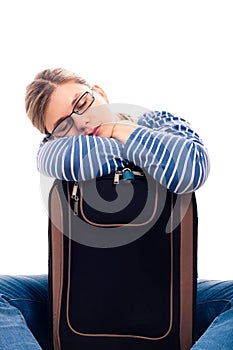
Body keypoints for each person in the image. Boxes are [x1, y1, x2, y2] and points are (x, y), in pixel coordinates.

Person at [0, 67, 232, 349]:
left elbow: (190, 169)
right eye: (63, 126)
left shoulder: (157, 120)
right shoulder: (54, 151)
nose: (82, 122)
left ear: (99, 92)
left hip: (165, 290)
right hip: (82, 292)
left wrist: (122, 130)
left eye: (82, 103)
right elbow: (78, 159)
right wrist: (144, 152)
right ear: (51, 137)